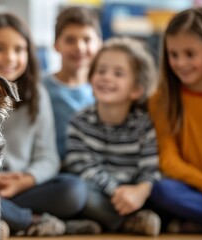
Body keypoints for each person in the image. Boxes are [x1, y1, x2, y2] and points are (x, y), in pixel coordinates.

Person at [0, 13, 101, 237]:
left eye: (19, 49)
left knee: (73, 191)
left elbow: (48, 157)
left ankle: (1, 218)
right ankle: (31, 221)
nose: (10, 58)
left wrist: (25, 180)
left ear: (28, 53)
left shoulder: (37, 94)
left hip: (21, 187)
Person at [63, 37, 161, 236]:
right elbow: (80, 164)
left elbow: (150, 168)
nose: (106, 77)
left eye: (118, 73)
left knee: (160, 191)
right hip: (99, 193)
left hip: (133, 196)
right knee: (78, 192)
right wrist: (116, 190)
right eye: (101, 71)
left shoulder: (143, 124)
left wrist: (140, 191)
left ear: (136, 90)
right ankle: (127, 223)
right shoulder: (79, 121)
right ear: (91, 78)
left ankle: (118, 220)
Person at [148, 7, 202, 233]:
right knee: (162, 190)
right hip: (196, 191)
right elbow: (169, 161)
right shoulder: (161, 100)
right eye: (173, 54)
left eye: (190, 54)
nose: (180, 63)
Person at [42, 6, 101, 161]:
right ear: (55, 45)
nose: (79, 47)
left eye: (87, 40)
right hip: (55, 169)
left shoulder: (105, 90)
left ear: (99, 44)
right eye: (70, 40)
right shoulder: (41, 88)